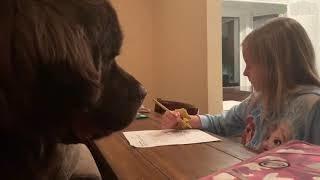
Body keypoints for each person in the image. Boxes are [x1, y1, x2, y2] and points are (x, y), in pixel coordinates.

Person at [161, 17, 320, 152]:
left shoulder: (313, 107)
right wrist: (188, 120)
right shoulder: (257, 100)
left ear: (275, 67)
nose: (244, 73)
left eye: (250, 65)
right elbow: (222, 123)